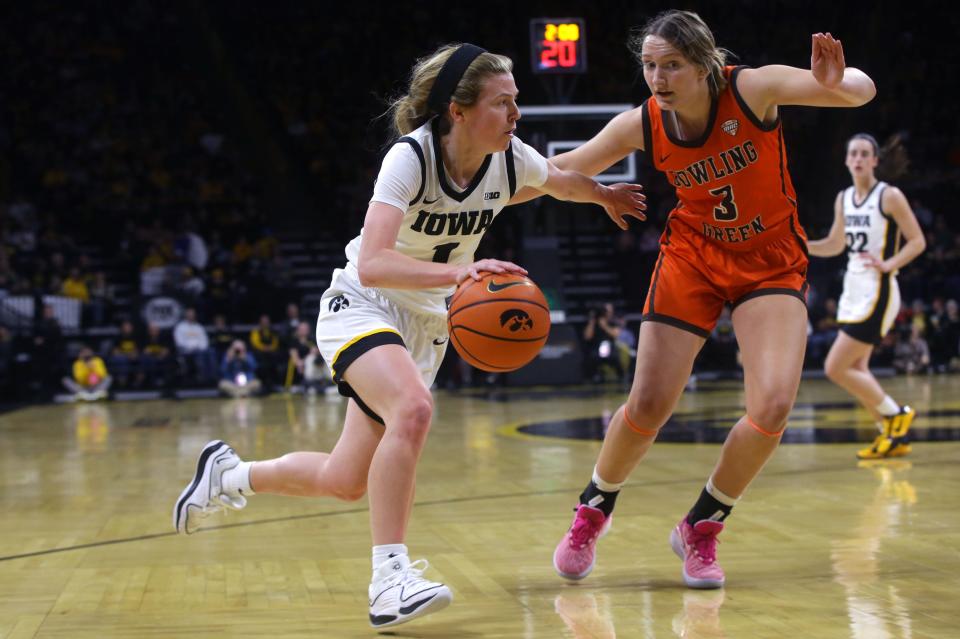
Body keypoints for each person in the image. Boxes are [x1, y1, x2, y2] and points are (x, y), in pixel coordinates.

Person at [172, 42, 645, 629]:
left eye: (516, 102)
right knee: (415, 410)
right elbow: (372, 261)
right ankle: (388, 579)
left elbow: (559, 181)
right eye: (503, 103)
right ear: (459, 110)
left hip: (426, 324)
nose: (516, 115)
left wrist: (602, 195)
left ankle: (229, 475)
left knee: (345, 481)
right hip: (364, 304)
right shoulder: (411, 159)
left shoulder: (509, 159)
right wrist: (459, 274)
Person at [522, 11, 876, 589]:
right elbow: (557, 171)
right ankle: (593, 509)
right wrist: (480, 192)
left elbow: (863, 91)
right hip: (694, 256)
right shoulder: (643, 122)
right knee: (649, 404)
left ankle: (702, 525)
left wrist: (835, 82)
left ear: (705, 63)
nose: (658, 78)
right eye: (649, 65)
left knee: (773, 408)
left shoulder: (751, 88)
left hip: (770, 261)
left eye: (672, 65)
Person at [807, 133, 925, 459]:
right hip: (854, 289)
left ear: (875, 161)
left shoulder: (889, 196)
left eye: (864, 154)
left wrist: (889, 264)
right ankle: (891, 436)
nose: (858, 159)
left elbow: (917, 241)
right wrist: (802, 245)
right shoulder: (843, 198)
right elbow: (836, 244)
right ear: (846, 160)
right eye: (853, 154)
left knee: (835, 367)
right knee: (858, 368)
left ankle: (895, 415)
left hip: (880, 289)